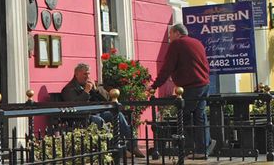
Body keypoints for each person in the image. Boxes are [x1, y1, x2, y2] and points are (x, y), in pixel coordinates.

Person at [149, 23, 215, 158]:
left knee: (183, 115)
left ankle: (188, 148)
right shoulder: (197, 42)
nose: (169, 38)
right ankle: (203, 147)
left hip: (191, 86)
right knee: (200, 116)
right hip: (204, 84)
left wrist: (155, 85)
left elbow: (167, 67)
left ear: (177, 33)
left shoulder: (177, 44)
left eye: (170, 35)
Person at [62, 62, 145, 158]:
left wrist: (96, 89)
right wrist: (86, 92)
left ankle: (133, 146)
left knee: (118, 115)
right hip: (81, 118)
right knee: (99, 121)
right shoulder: (69, 89)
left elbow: (107, 98)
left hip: (97, 113)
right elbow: (75, 106)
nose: (87, 76)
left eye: (88, 74)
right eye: (85, 74)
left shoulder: (90, 85)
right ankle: (119, 151)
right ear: (76, 74)